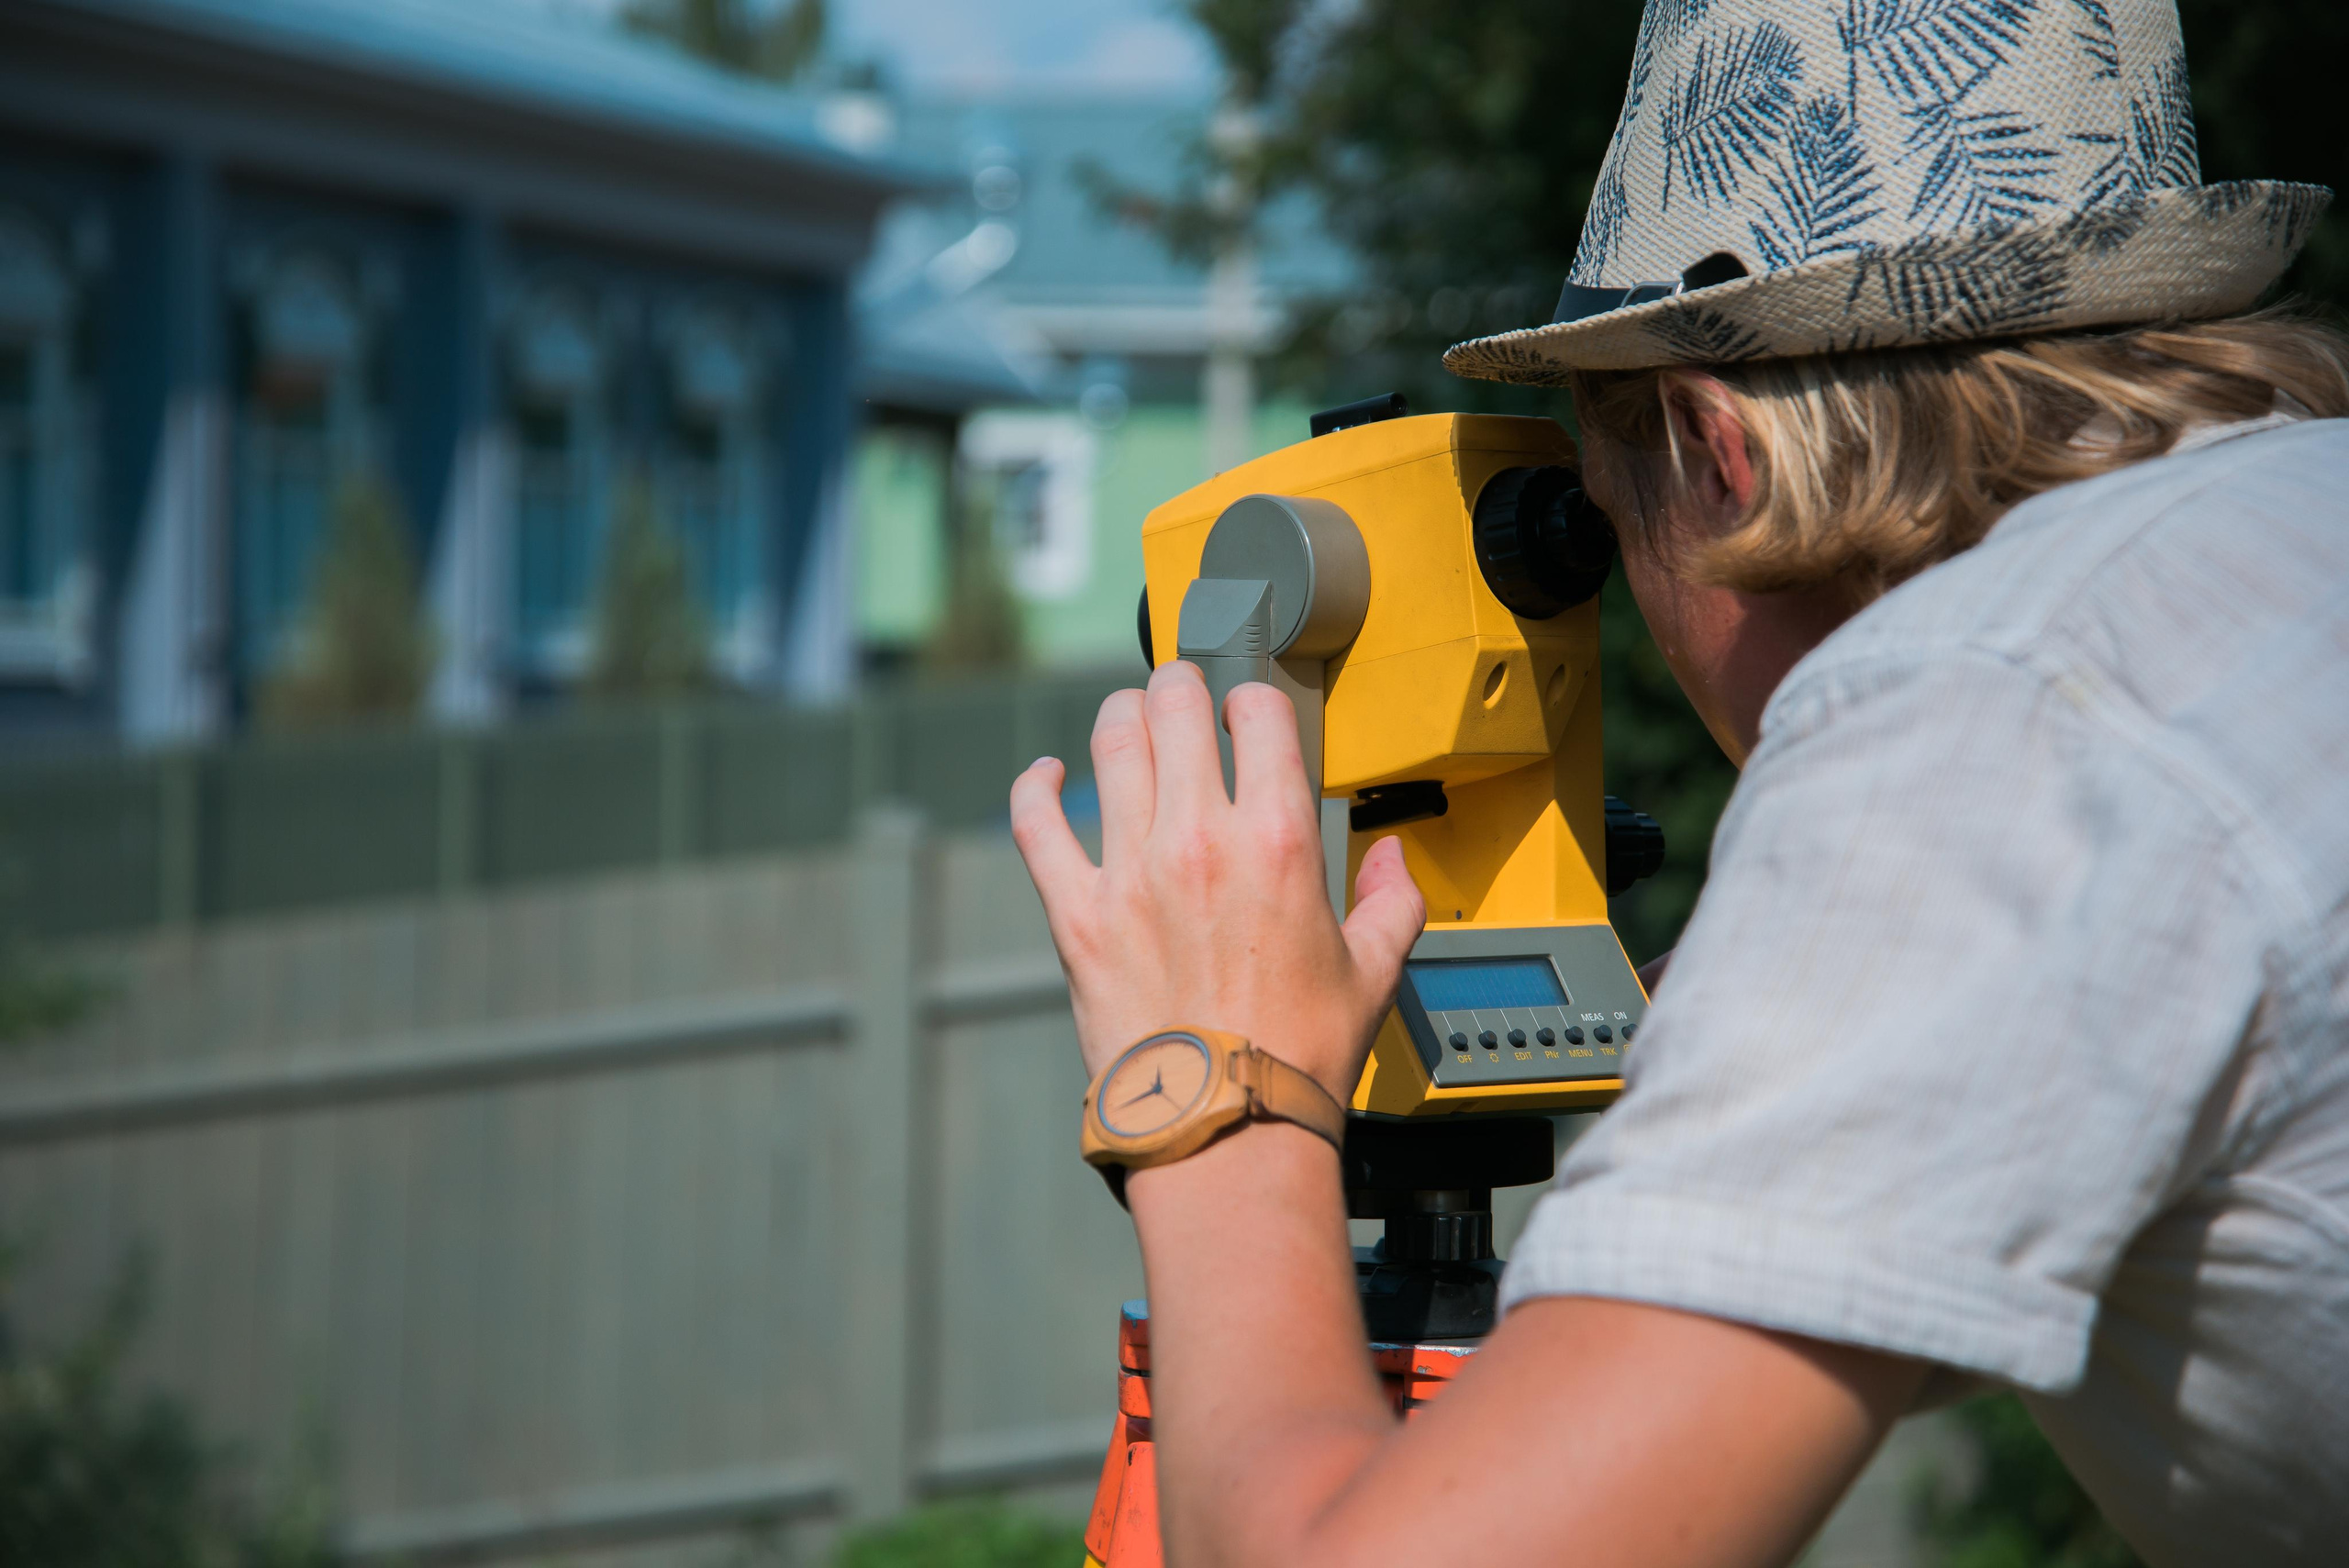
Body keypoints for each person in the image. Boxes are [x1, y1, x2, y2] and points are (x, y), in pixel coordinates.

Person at [1008, 3, 2349, 1564]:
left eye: (1603, 511)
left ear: (1719, 457)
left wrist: (1220, 1099)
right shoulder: (2271, 564)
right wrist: (1748, 1099)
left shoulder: (1991, 723)